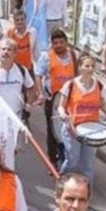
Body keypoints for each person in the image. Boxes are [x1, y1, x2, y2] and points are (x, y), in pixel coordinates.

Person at [56, 53, 106, 185]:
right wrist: (62, 114)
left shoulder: (99, 85)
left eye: (92, 66)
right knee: (72, 161)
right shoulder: (70, 85)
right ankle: (62, 184)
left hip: (91, 130)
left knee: (88, 165)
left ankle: (86, 194)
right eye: (87, 66)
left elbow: (102, 104)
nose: (90, 69)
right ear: (80, 67)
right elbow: (61, 106)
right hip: (73, 130)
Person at [34, 28, 78, 168]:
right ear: (52, 44)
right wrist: (41, 93)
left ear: (66, 42)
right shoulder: (46, 57)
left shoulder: (73, 55)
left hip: (69, 99)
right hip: (52, 100)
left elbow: (77, 75)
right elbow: (38, 76)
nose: (58, 45)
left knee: (68, 129)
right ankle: (52, 161)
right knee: (53, 131)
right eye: (55, 43)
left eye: (61, 42)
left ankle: (66, 156)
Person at [0, 38, 36, 119]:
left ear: (15, 53)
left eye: (9, 50)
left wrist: (29, 103)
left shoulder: (22, 70)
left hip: (17, 118)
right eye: (3, 49)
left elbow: (31, 88)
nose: (6, 52)